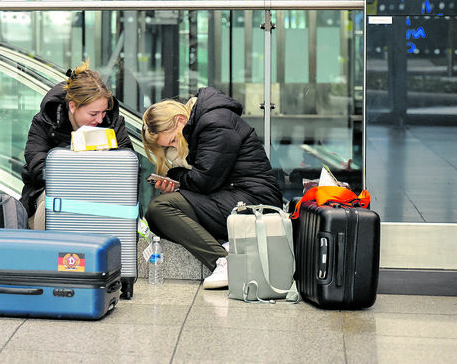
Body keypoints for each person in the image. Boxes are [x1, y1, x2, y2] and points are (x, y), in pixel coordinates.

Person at [141, 86, 283, 289]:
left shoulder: (215, 122)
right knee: (158, 216)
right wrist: (176, 185)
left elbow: (204, 181)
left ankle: (225, 262)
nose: (174, 147)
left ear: (180, 119)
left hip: (256, 202)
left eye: (172, 140)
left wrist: (175, 176)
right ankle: (226, 247)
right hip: (234, 195)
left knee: (161, 208)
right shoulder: (205, 121)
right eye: (168, 147)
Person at [20, 61, 133, 229]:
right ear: (72, 106)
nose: (100, 119)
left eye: (103, 112)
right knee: (51, 204)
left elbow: (130, 168)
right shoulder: (45, 121)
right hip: (53, 192)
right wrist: (78, 164)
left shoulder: (112, 122)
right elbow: (37, 168)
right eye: (93, 114)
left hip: (101, 193)